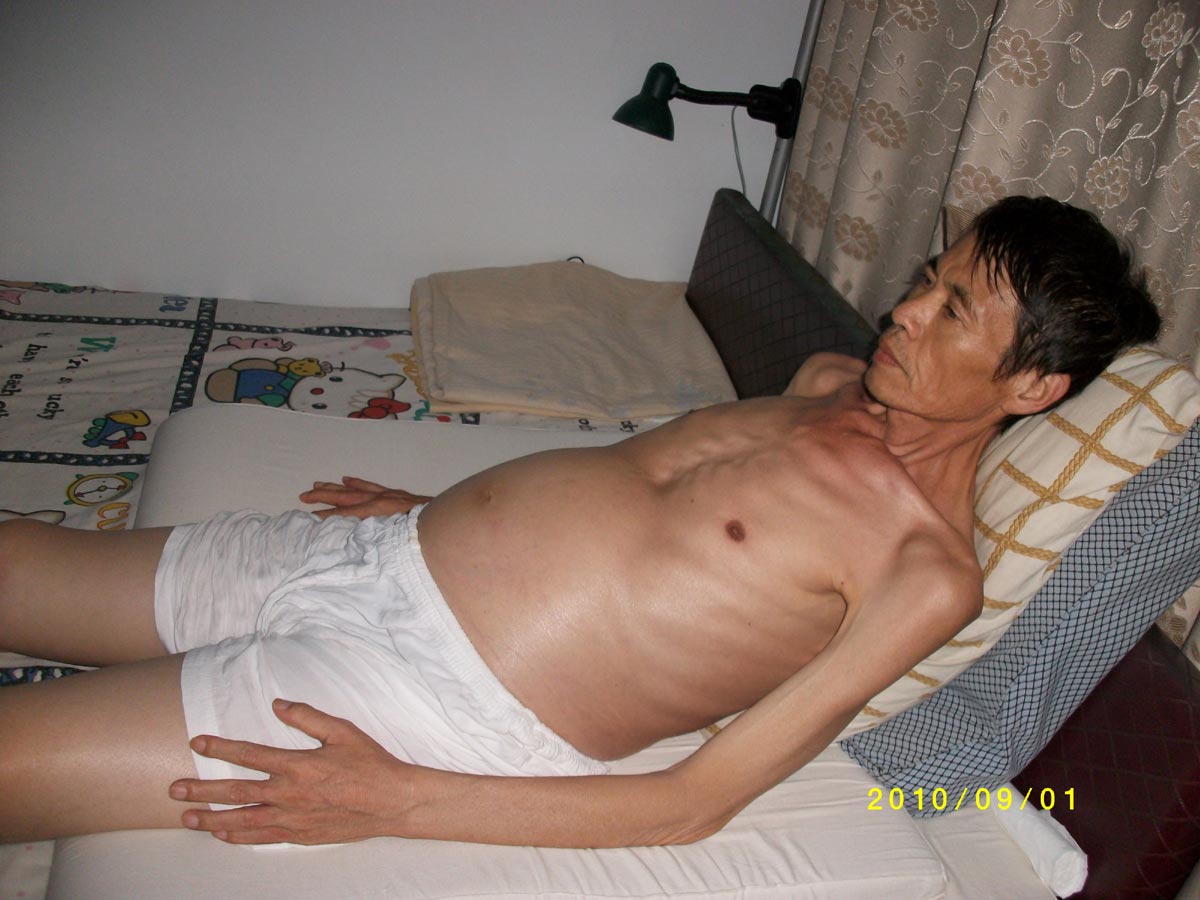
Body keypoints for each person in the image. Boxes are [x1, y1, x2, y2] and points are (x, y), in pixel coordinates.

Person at [0, 196, 1160, 848]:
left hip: (432, 695)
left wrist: (397, 799)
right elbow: (650, 501)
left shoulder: (925, 571)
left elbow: (695, 802)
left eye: (953, 310)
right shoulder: (825, 381)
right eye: (926, 277)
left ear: (1033, 387)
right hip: (380, 553)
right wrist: (445, 511)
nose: (902, 311)